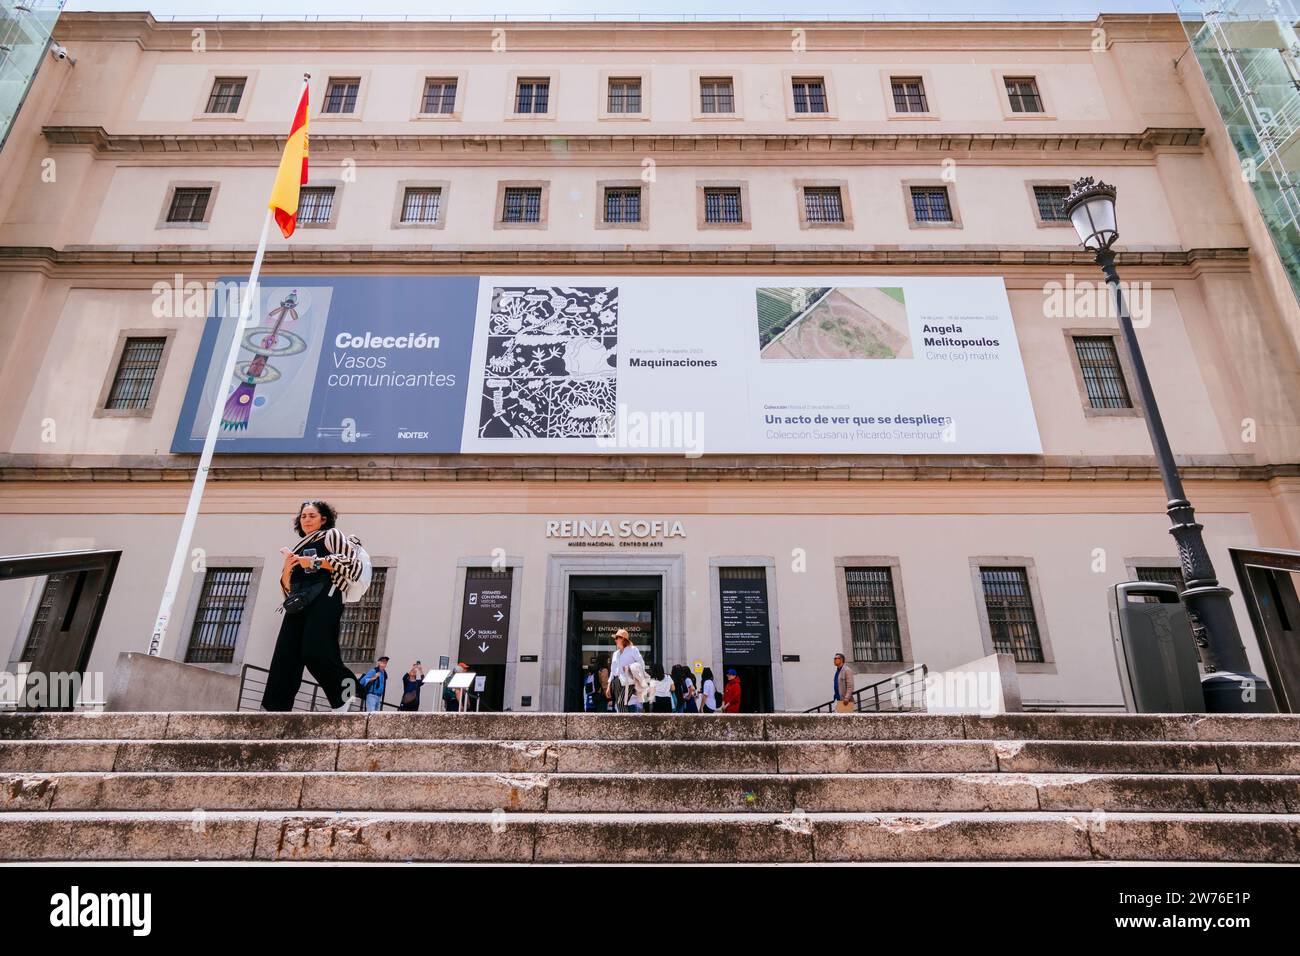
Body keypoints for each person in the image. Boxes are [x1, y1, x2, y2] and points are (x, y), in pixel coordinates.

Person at [261, 500, 363, 712]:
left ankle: (345, 694)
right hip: (298, 603)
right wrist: (288, 567)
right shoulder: (299, 547)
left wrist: (316, 562)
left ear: (323, 518)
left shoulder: (331, 535)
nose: (306, 520)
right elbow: (286, 588)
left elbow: (352, 565)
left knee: (315, 651)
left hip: (327, 596)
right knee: (285, 655)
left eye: (312, 516)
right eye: (303, 516)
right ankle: (275, 709)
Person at [607, 629, 645, 712]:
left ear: (623, 639)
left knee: (621, 703)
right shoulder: (615, 653)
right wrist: (608, 685)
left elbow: (641, 664)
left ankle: (624, 723)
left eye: (617, 638)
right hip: (616, 681)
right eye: (615, 638)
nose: (615, 640)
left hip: (629, 681)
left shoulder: (633, 649)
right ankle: (625, 722)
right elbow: (613, 671)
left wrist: (629, 667)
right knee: (619, 704)